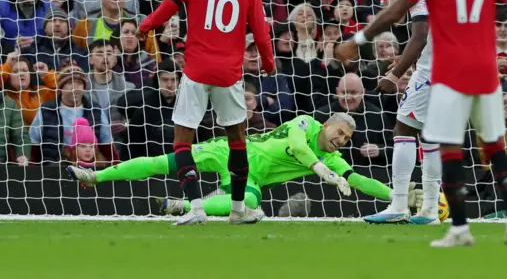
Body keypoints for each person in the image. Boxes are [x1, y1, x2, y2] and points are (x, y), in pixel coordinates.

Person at [335, 0, 507, 247]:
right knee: (494, 145)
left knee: (447, 146)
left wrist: (357, 41)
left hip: (447, 72)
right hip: (486, 70)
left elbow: (396, 12)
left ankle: (455, 226)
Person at [137, 0, 276, 226]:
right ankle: (238, 210)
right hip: (229, 75)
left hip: (196, 72)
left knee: (182, 140)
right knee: (237, 140)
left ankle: (197, 207)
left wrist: (144, 27)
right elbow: (262, 35)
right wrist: (268, 64)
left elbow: (163, 11)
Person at [67, 114, 426, 218]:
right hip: (231, 151)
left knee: (250, 206)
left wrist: (400, 195)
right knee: (165, 162)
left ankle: (183, 206)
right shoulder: (306, 124)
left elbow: (359, 180)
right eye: (340, 132)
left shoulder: (333, 158)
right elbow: (298, 146)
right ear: (329, 124)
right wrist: (320, 170)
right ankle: (94, 175)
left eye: (347, 139)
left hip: (251, 176)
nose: (342, 140)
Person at [362, 0, 441, 225]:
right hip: (454, 71)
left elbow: (420, 37)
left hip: (432, 71)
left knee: (403, 127)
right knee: (431, 136)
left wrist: (394, 75)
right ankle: (430, 209)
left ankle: (397, 205)